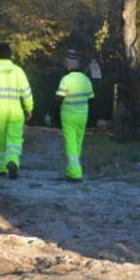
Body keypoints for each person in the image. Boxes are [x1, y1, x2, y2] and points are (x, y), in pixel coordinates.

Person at [0, 42, 33, 179]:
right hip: (15, 110)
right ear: (11, 55)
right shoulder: (18, 71)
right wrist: (29, 108)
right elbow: (26, 92)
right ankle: (12, 161)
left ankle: (0, 168)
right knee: (15, 139)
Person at [54, 49, 94, 182]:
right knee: (78, 143)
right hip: (83, 116)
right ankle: (70, 170)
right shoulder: (85, 80)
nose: (65, 66)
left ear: (69, 65)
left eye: (66, 63)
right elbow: (92, 99)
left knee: (70, 143)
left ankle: (76, 173)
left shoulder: (65, 80)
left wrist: (52, 113)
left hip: (68, 116)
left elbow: (59, 98)